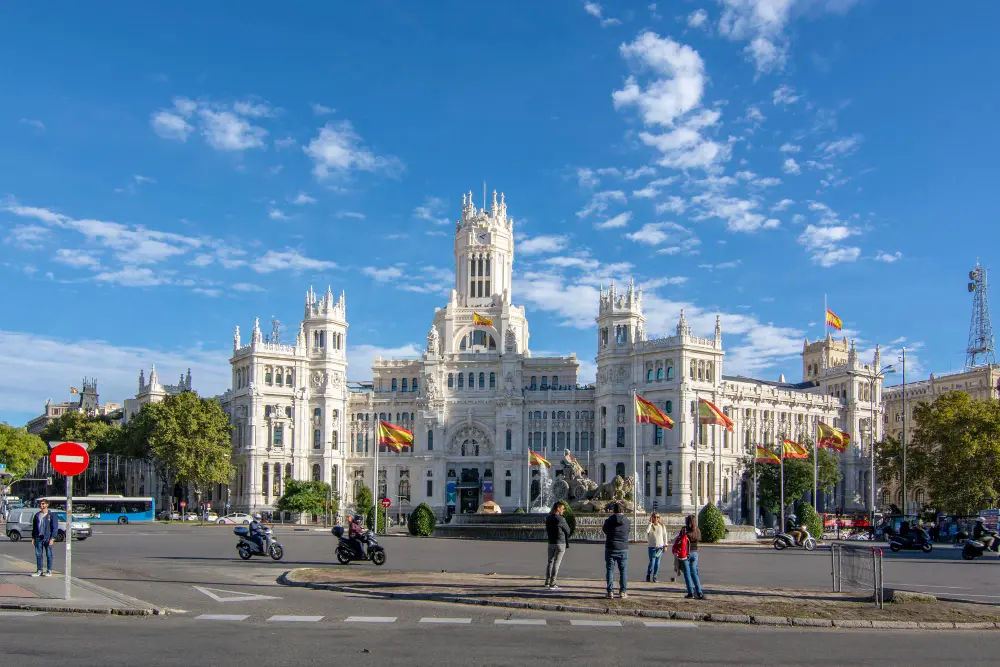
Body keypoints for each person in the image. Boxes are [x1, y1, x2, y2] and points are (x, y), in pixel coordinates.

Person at [601, 502, 630, 599]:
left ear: (614, 510)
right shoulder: (627, 521)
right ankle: (623, 591)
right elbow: (628, 531)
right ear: (623, 510)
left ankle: (610, 592)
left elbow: (605, 530)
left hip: (611, 547)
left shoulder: (609, 520)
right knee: (623, 571)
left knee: (610, 570)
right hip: (623, 548)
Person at [676, 514, 705, 600]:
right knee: (694, 573)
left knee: (687, 574)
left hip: (686, 554)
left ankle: (690, 593)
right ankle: (699, 592)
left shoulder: (684, 530)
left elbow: (679, 540)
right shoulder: (697, 530)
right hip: (695, 553)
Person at [544, 502, 571, 590]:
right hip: (560, 543)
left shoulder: (548, 518)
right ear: (558, 509)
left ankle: (547, 581)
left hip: (551, 542)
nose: (563, 510)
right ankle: (553, 583)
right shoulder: (561, 519)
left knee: (550, 562)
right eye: (562, 509)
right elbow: (568, 530)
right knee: (556, 563)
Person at [31, 500, 59, 577]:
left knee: (49, 554)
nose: (41, 505)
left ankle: (49, 570)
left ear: (47, 505)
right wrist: (33, 537)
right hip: (38, 537)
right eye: (40, 504)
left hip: (47, 538)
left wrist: (52, 538)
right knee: (38, 554)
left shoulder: (52, 515)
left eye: (43, 504)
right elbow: (34, 527)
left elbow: (55, 528)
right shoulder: (37, 515)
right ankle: (39, 570)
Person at [646, 512, 667, 583]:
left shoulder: (662, 526)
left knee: (657, 562)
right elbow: (647, 531)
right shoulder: (650, 526)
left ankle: (655, 576)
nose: (656, 518)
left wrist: (665, 545)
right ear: (652, 518)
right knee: (652, 562)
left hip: (660, 547)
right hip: (652, 546)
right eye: (654, 517)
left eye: (657, 517)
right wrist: (650, 523)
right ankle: (648, 574)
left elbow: (664, 536)